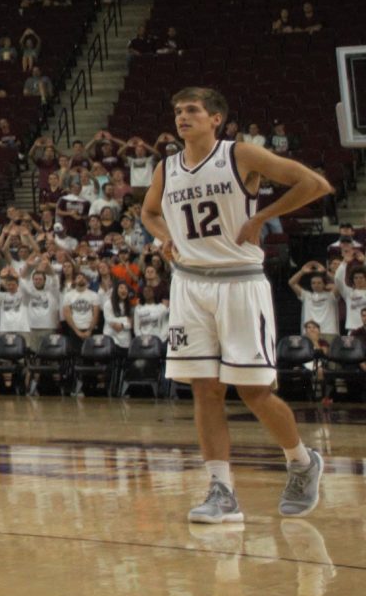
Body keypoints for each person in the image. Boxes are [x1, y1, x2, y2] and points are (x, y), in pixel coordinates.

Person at [142, 85, 333, 521]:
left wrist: (262, 217)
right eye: (177, 110)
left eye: (192, 110)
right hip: (189, 286)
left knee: (254, 392)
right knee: (205, 390)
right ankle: (221, 490)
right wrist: (164, 236)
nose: (182, 116)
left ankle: (302, 462)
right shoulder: (166, 168)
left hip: (239, 284)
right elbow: (148, 212)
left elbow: (315, 183)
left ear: (216, 119)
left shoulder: (240, 156)